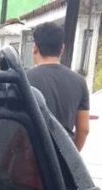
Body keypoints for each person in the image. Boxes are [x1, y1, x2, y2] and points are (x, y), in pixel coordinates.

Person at [26, 22, 90, 150]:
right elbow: (84, 129)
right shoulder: (79, 81)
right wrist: (71, 156)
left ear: (35, 48)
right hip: (62, 153)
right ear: (62, 49)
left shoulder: (24, 80)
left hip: (30, 152)